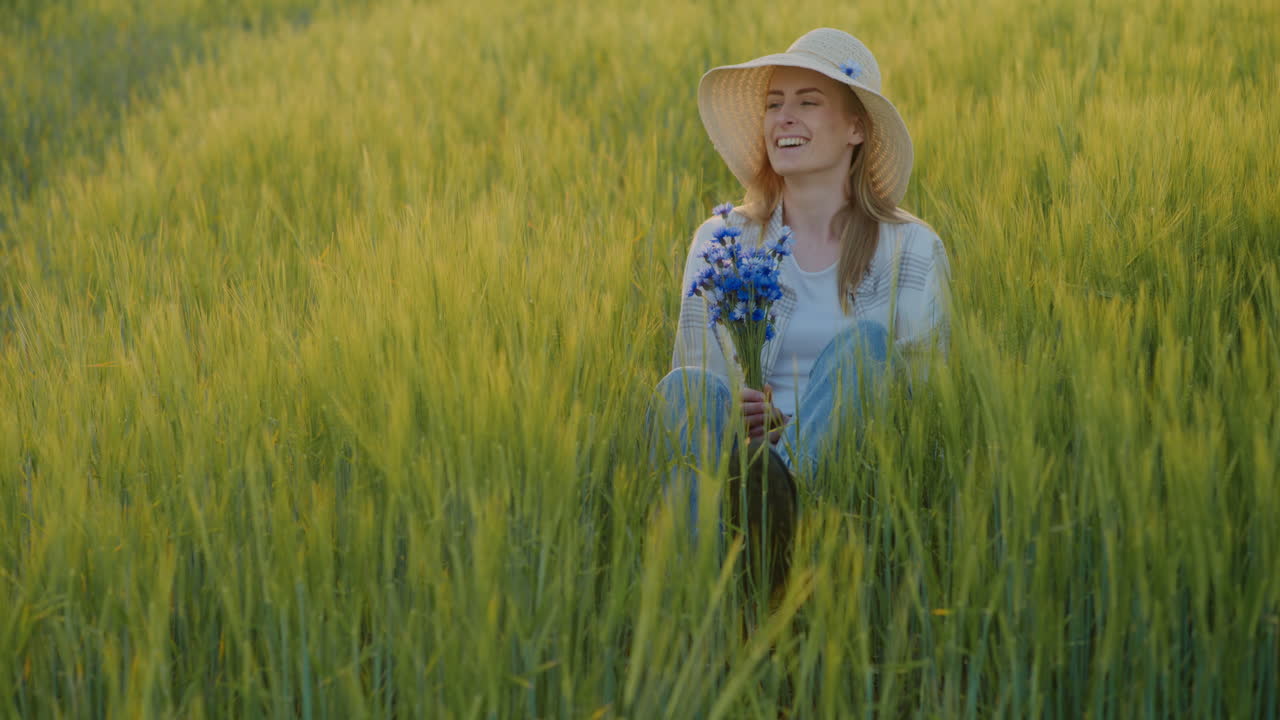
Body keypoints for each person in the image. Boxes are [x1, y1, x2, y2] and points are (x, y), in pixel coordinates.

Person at [651, 28, 951, 546]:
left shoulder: (912, 250)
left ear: (855, 128)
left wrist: (796, 424)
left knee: (866, 350)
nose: (783, 118)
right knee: (682, 386)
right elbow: (699, 382)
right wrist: (738, 413)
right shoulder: (723, 242)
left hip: (850, 483)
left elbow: (927, 403)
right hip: (734, 466)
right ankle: (698, 576)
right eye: (774, 104)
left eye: (807, 102)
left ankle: (777, 527)